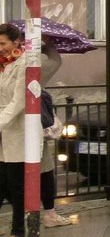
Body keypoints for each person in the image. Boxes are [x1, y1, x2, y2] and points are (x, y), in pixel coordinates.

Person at [0, 23, 29, 237]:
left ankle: (18, 231)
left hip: (17, 131)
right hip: (3, 132)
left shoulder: (24, 63)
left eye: (3, 44)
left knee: (15, 184)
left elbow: (18, 101)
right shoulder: (3, 64)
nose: (0, 48)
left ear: (16, 42)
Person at [39, 43, 75, 227]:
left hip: (13, 132)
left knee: (10, 176)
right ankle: (49, 214)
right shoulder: (30, 71)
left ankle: (48, 214)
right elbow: (55, 60)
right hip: (26, 133)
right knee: (43, 172)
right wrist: (46, 44)